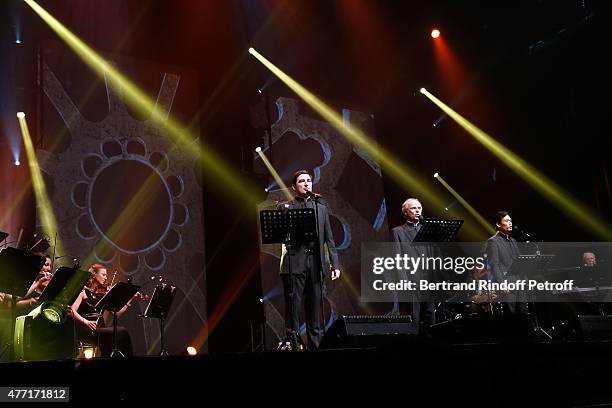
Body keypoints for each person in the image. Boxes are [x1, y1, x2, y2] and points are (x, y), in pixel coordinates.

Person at [279, 170, 341, 350]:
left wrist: (334, 264)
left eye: (308, 181)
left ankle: (316, 345)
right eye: (301, 181)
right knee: (293, 306)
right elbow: (282, 236)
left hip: (316, 263)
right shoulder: (286, 207)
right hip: (294, 262)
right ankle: (293, 343)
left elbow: (329, 238)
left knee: (315, 307)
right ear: (294, 186)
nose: (306, 184)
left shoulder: (320, 207)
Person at [71, 263, 138, 357]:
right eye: (103, 275)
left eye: (106, 275)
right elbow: (72, 311)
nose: (106, 278)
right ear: (94, 274)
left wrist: (131, 298)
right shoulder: (83, 292)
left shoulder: (102, 295)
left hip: (100, 328)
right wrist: (86, 321)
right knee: (122, 331)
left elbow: (117, 313)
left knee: (117, 337)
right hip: (87, 329)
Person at [390, 198, 435, 334]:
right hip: (410, 281)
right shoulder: (397, 232)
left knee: (430, 318)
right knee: (413, 318)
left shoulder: (427, 230)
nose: (417, 211)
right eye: (413, 208)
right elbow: (397, 259)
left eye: (419, 208)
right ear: (405, 212)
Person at [485, 211, 528, 316]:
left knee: (523, 313)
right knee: (511, 315)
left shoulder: (513, 240)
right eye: (507, 221)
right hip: (507, 283)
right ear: (498, 224)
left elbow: (519, 261)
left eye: (511, 221)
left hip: (519, 282)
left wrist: (525, 279)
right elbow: (494, 264)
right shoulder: (493, 241)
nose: (510, 223)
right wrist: (501, 283)